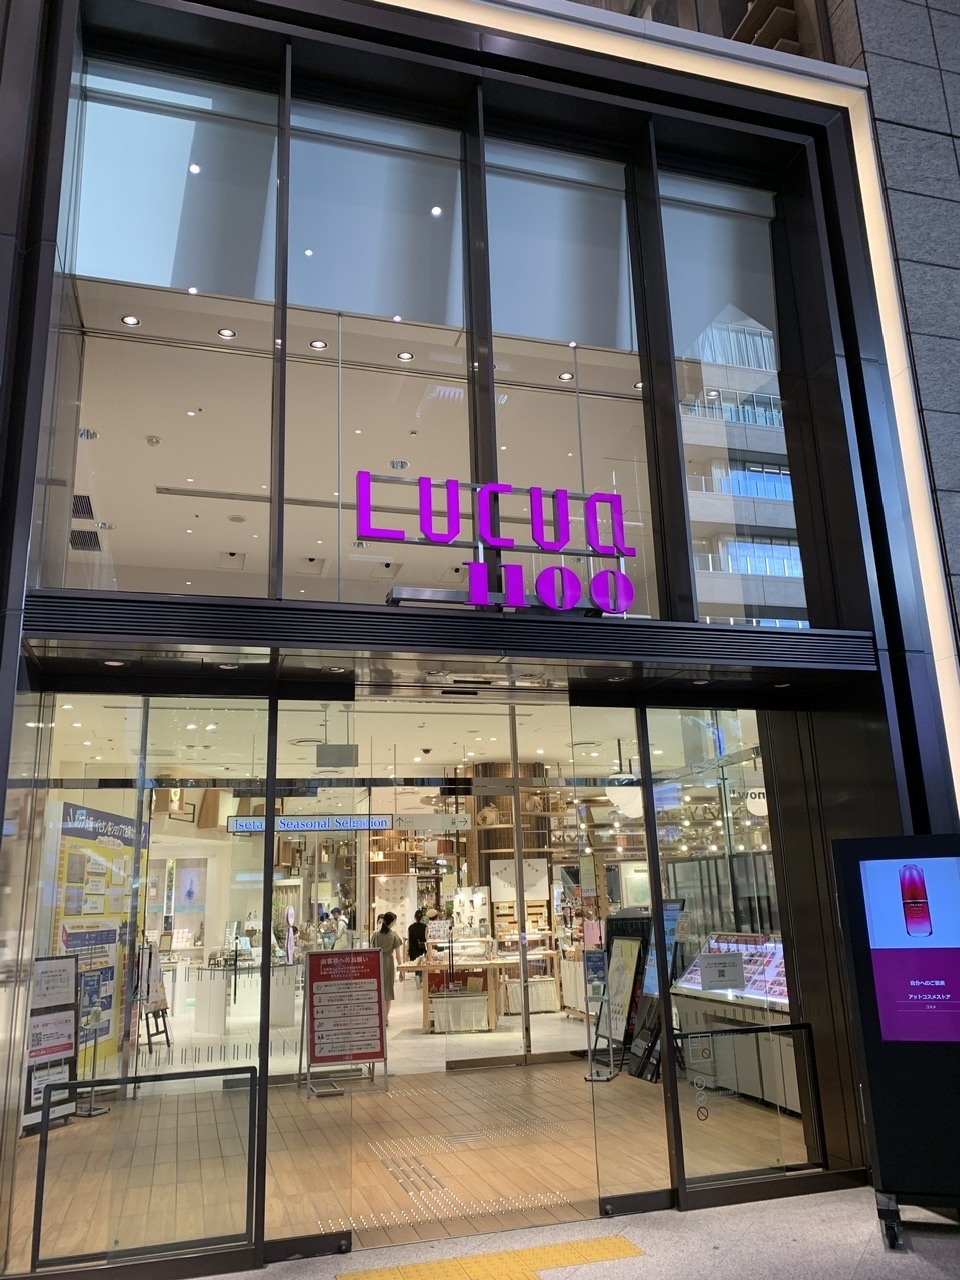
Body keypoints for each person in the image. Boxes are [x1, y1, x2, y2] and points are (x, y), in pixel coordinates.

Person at [370, 911, 404, 1027]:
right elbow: (398, 956)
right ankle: (385, 1018)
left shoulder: (375, 935)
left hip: (376, 962)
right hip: (388, 963)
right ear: (392, 922)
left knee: (377, 990)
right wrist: (401, 971)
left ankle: (377, 1016)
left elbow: (371, 950)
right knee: (388, 992)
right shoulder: (394, 936)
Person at [407, 908, 428, 986]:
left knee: (416, 964)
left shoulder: (410, 927)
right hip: (422, 948)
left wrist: (408, 950)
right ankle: (420, 978)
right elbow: (426, 938)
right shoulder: (425, 926)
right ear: (421, 917)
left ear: (414, 917)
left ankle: (417, 976)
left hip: (413, 948)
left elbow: (409, 939)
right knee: (422, 963)